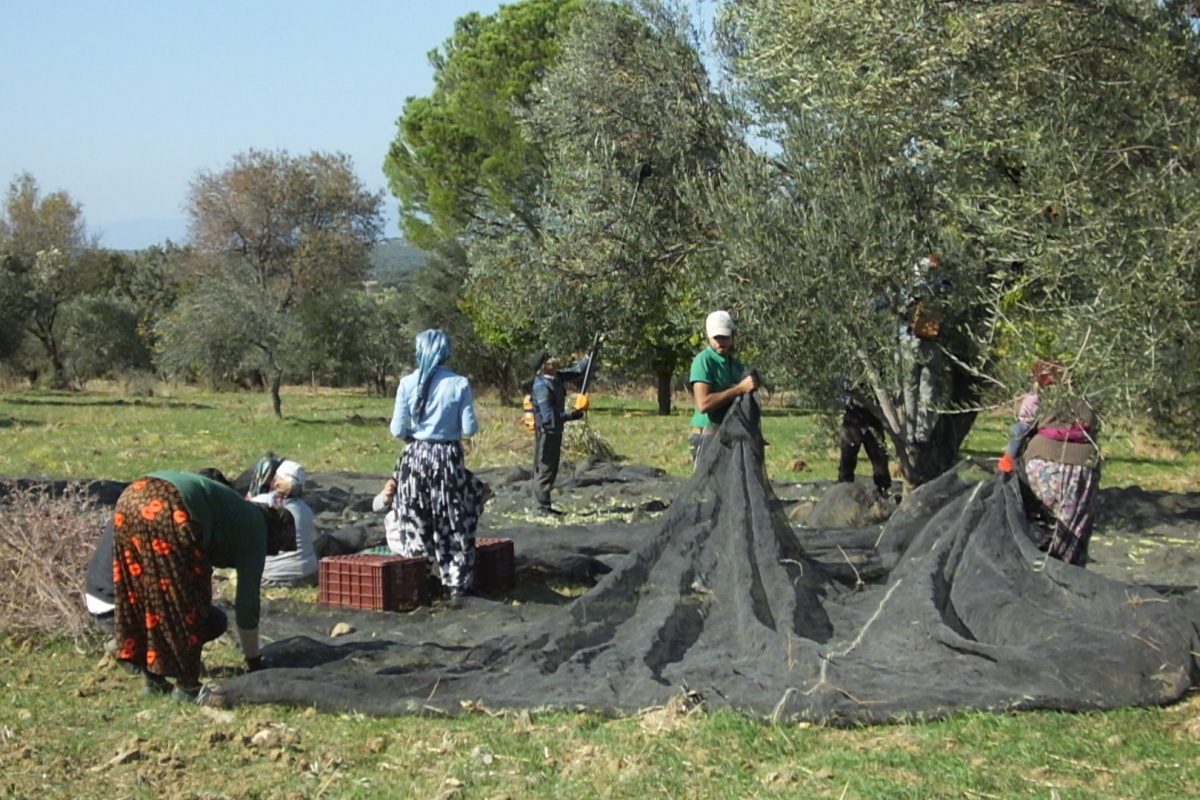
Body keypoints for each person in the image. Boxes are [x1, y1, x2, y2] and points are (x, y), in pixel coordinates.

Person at [112, 470, 296, 701]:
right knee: (188, 598)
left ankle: (153, 679)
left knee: (144, 591)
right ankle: (187, 686)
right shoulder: (258, 528)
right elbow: (247, 603)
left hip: (130, 496)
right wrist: (254, 661)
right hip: (170, 504)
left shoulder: (237, 512)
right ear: (275, 533)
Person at [388, 329, 488, 604]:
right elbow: (470, 428)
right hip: (447, 458)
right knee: (453, 519)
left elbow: (397, 428)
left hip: (415, 457)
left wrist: (417, 436)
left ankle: (422, 579)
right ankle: (455, 584)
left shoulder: (407, 383)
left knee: (415, 517)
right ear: (446, 353)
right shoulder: (459, 384)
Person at [86, 468, 232, 643]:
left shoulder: (146, 502)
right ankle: (131, 649)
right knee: (210, 621)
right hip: (115, 608)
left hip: (97, 597)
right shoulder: (169, 522)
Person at [1019, 374, 1101, 566]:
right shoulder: (1091, 386)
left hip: (1041, 461)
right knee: (1072, 533)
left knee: (1037, 525)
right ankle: (1067, 580)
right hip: (1082, 464)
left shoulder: (1041, 391)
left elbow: (1024, 419)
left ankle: (1035, 575)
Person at [688, 310, 758, 464]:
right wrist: (739, 389)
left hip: (730, 438)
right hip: (707, 437)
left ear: (733, 335)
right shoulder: (703, 361)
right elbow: (704, 404)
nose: (720, 342)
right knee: (707, 487)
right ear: (708, 337)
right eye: (716, 337)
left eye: (725, 336)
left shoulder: (736, 364)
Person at [528, 348, 591, 515]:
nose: (553, 360)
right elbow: (548, 416)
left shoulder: (556, 377)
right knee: (544, 468)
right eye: (549, 359)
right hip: (547, 433)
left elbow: (577, 371)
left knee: (552, 468)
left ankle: (544, 506)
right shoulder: (542, 386)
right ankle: (541, 508)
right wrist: (572, 415)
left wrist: (588, 357)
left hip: (555, 431)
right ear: (542, 367)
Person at [248, 459, 318, 587]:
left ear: (275, 481)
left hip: (270, 576)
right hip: (307, 575)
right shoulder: (307, 511)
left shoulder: (259, 502)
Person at [998, 360, 1061, 474]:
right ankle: (1010, 459)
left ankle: (1009, 460)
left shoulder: (1047, 392)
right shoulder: (1037, 390)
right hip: (1027, 421)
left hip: (1031, 423)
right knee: (1016, 430)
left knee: (1017, 430)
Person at [837, 380, 891, 495]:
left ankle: (883, 489)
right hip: (854, 415)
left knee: (879, 457)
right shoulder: (849, 372)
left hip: (872, 415)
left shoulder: (873, 372)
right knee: (848, 457)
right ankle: (843, 491)